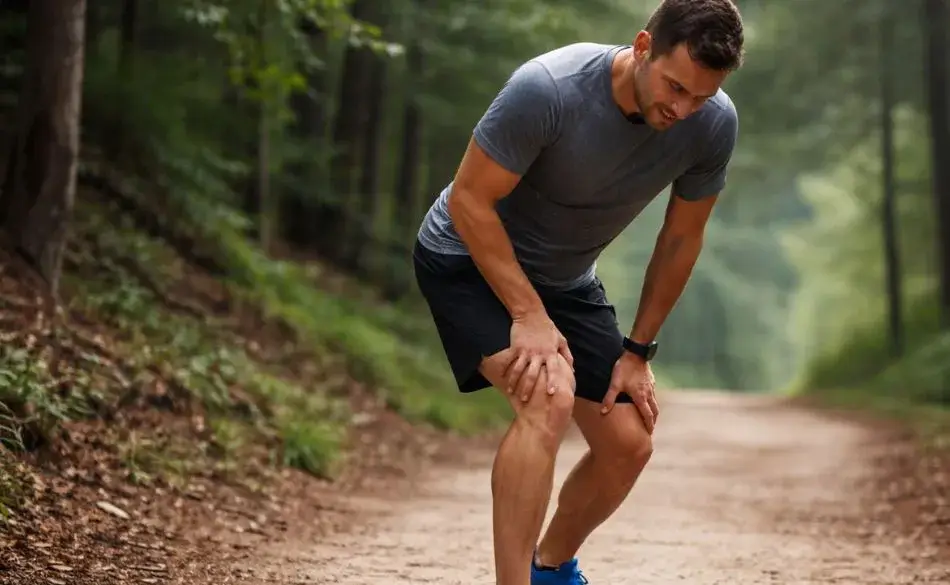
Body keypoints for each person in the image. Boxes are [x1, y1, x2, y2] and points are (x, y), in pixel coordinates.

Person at [411, 0, 744, 583]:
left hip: (564, 279)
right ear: (643, 47)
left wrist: (638, 352)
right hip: (465, 255)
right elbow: (469, 200)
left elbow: (681, 238)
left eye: (700, 96)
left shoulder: (712, 124)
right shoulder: (550, 89)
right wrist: (526, 313)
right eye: (674, 86)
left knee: (629, 440)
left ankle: (551, 569)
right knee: (549, 398)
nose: (683, 108)